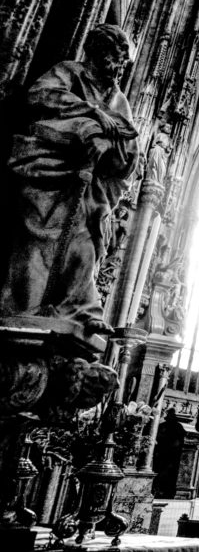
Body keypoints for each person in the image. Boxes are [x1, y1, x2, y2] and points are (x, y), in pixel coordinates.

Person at [0, 24, 138, 334]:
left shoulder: (118, 99)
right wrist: (90, 113)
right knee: (40, 241)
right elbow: (40, 94)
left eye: (122, 62)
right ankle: (24, 308)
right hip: (49, 174)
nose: (117, 68)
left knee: (85, 246)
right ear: (97, 52)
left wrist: (107, 145)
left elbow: (130, 146)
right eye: (114, 58)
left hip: (88, 187)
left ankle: (79, 307)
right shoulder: (69, 72)